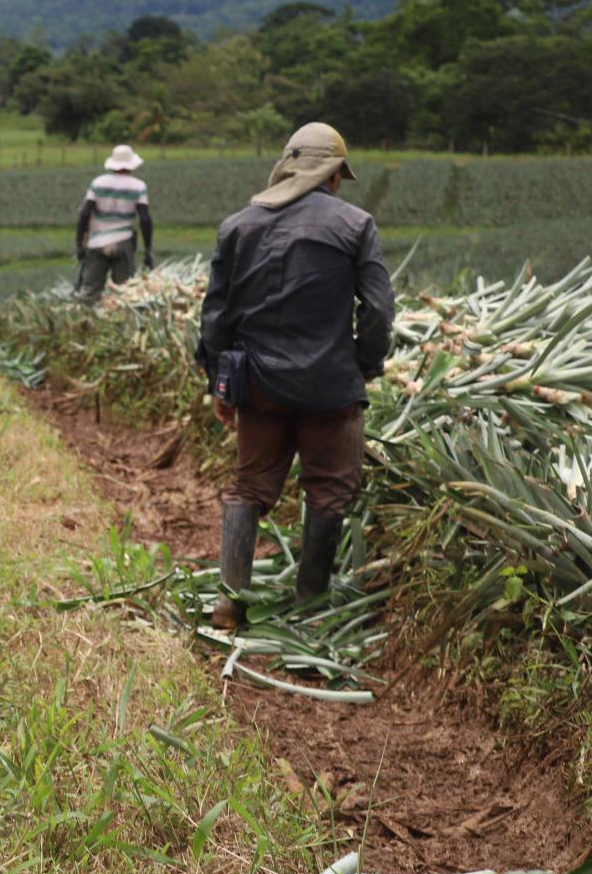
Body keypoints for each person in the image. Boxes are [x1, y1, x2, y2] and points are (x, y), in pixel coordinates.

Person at [196, 122, 394, 628]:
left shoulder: (238, 225)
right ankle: (311, 609)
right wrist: (364, 366)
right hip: (329, 388)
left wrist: (220, 381)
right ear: (333, 176)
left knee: (248, 487)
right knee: (328, 491)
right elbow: (377, 310)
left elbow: (216, 316)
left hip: (259, 386)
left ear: (286, 168)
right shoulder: (356, 225)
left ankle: (228, 602)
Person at [74, 144, 154, 304]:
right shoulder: (138, 186)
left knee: (89, 292)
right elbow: (145, 219)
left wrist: (79, 243)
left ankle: (82, 325)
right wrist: (148, 250)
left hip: (97, 243)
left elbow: (84, 212)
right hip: (123, 242)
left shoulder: (98, 183)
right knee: (124, 293)